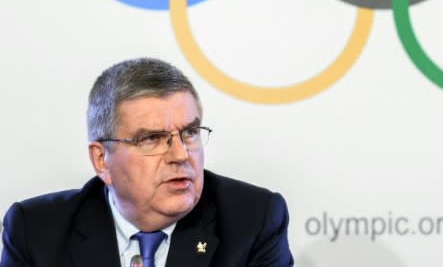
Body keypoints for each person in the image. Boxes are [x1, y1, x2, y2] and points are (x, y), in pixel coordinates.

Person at [1, 58, 294, 266]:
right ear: (101, 159)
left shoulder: (253, 220)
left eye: (189, 133)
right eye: (152, 138)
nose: (180, 155)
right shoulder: (35, 230)